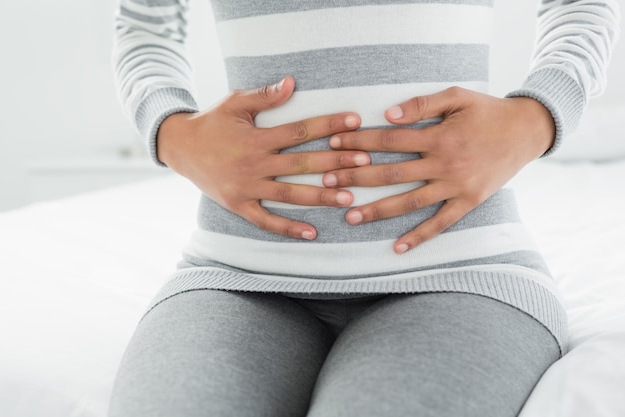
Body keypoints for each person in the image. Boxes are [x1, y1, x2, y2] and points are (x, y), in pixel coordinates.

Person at [108, 1, 620, 416]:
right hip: (234, 274)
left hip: (461, 272)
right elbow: (143, 22)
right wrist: (172, 130)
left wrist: (537, 115)